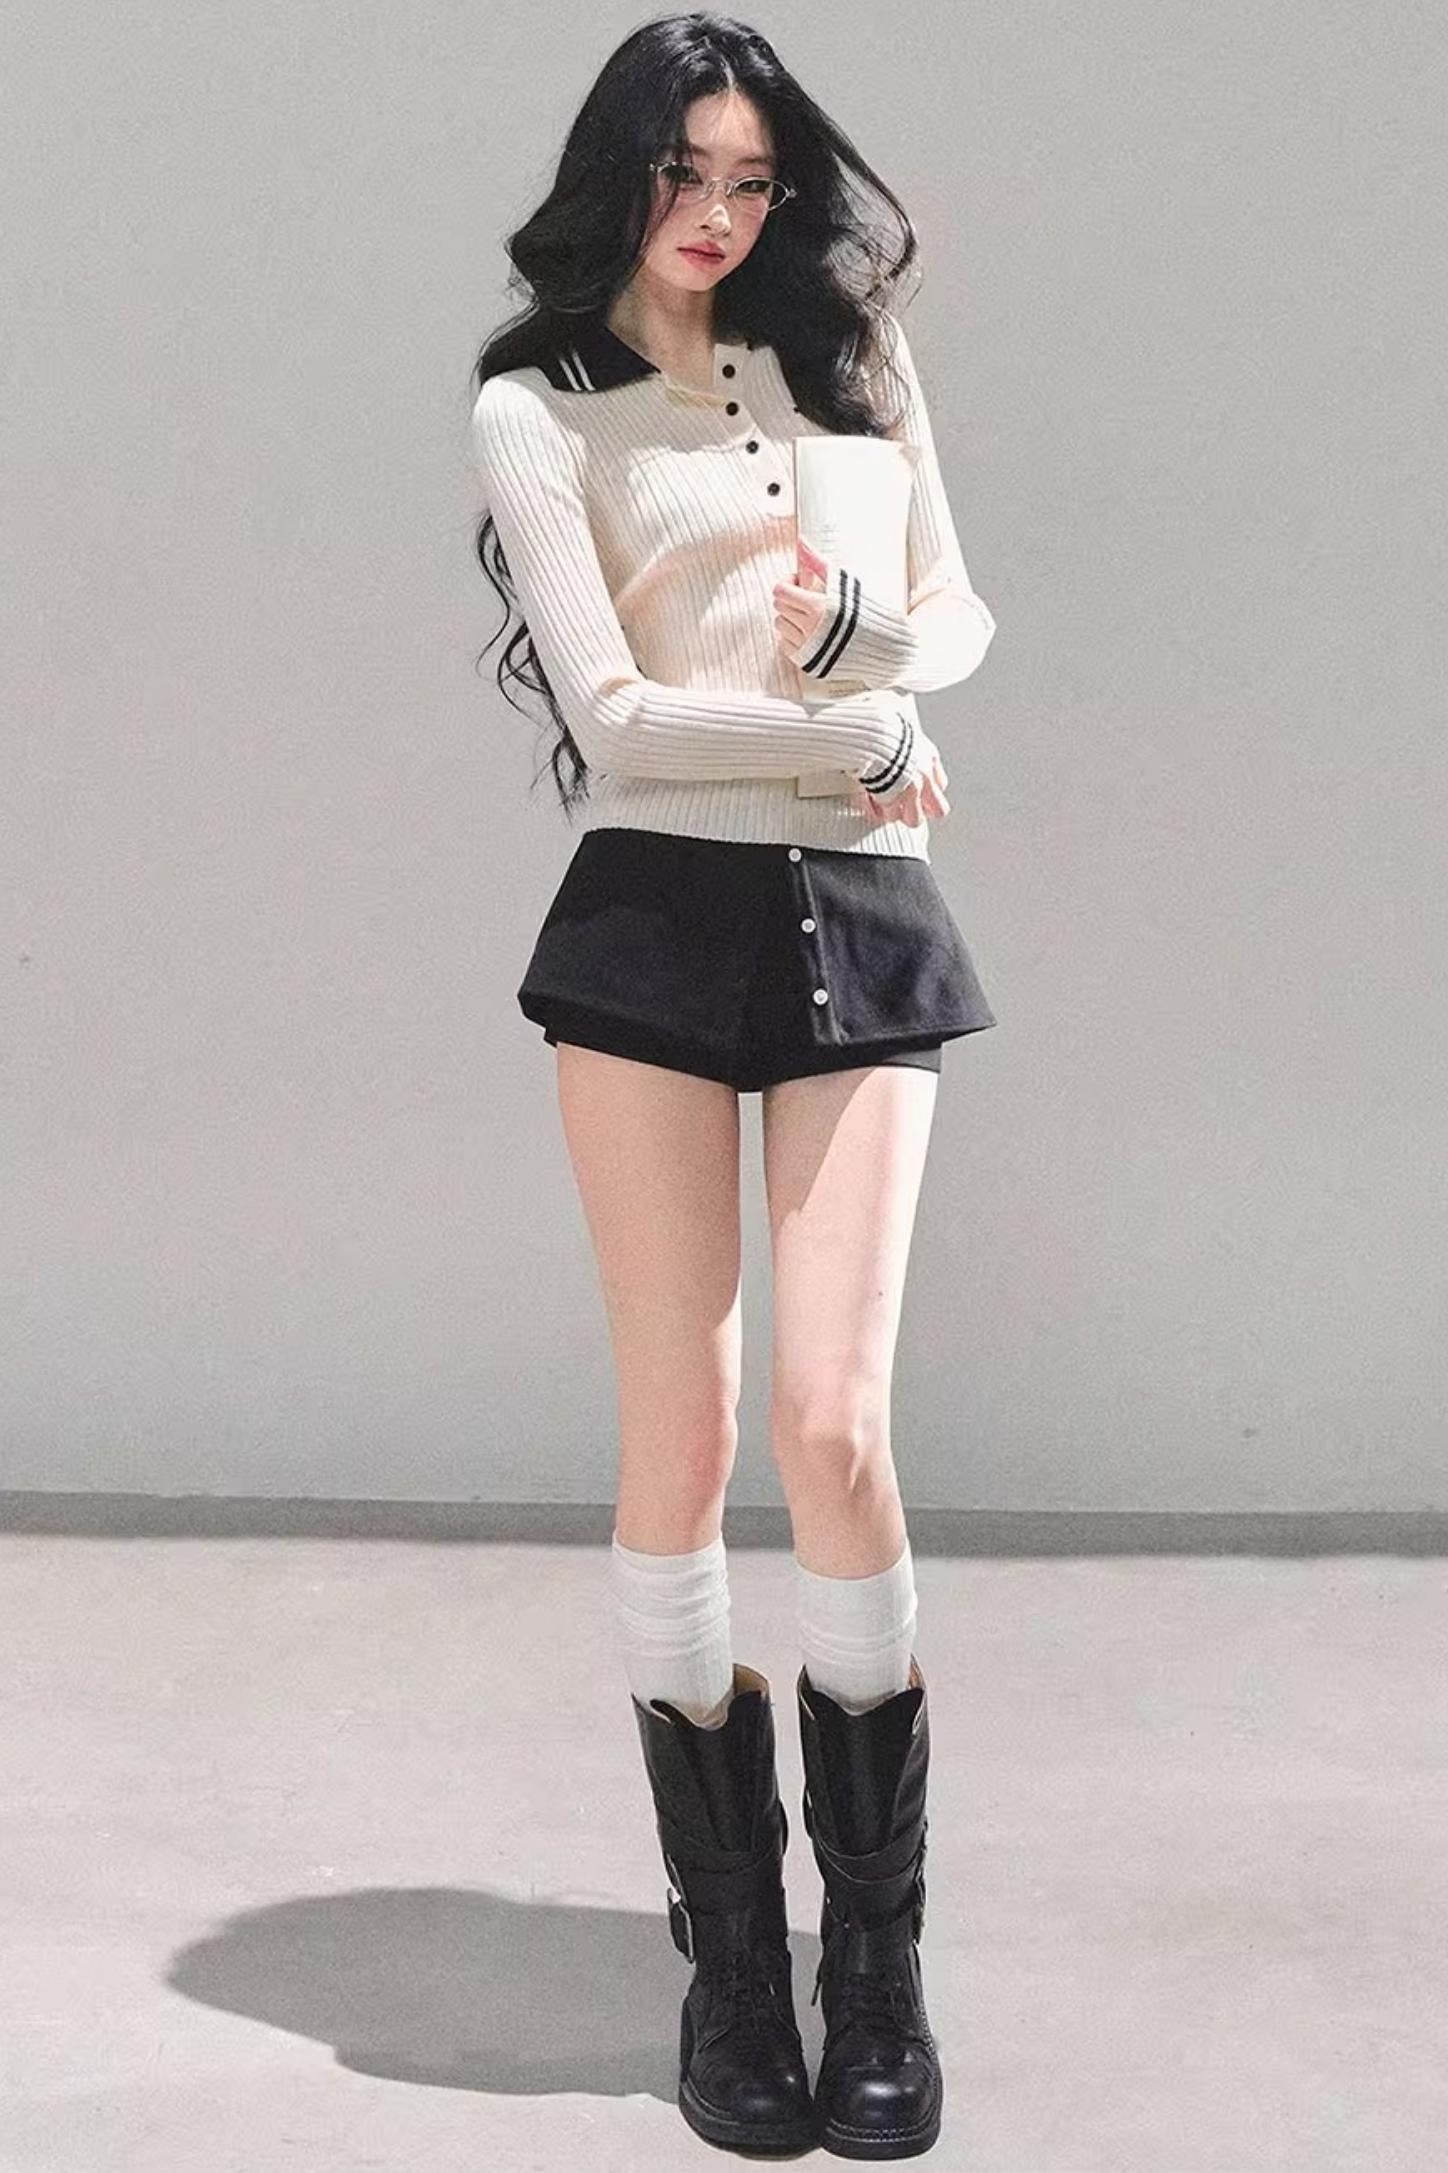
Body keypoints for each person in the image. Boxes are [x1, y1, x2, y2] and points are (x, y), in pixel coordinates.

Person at [469, 12, 998, 2157]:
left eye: (751, 179)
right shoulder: (537, 404)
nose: (716, 213)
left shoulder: (854, 363)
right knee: (681, 1438)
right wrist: (851, 738)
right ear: (621, 171)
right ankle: (732, 1963)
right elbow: (613, 716)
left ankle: (874, 1958)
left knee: (834, 1425)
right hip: (654, 919)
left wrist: (867, 645)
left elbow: (957, 618)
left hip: (860, 906)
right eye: (684, 173)